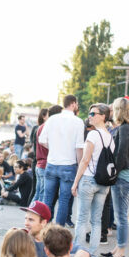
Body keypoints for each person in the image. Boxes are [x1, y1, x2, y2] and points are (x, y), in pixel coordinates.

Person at [72, 104, 114, 257]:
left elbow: (85, 160)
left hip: (89, 179)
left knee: (82, 219)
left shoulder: (92, 136)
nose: (89, 116)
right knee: (96, 220)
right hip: (104, 183)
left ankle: (77, 254)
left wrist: (75, 182)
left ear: (103, 116)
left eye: (93, 113)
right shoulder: (110, 137)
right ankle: (92, 256)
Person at [39, 95, 84, 226]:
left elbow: (42, 140)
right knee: (64, 200)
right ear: (74, 104)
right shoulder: (78, 122)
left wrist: (53, 148)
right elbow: (79, 148)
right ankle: (58, 231)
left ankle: (44, 228)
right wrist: (80, 166)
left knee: (47, 198)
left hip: (52, 163)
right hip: (68, 165)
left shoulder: (52, 119)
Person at [101, 98, 129, 257]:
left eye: (114, 109)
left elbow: (121, 154)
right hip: (124, 175)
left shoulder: (126, 128)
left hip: (122, 176)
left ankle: (120, 251)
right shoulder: (126, 127)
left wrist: (113, 174)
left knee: (121, 217)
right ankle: (117, 249)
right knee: (120, 216)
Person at [32, 108, 50, 203]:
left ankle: (30, 214)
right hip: (43, 164)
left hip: (39, 164)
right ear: (44, 116)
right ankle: (34, 216)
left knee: (38, 193)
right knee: (41, 194)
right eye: (49, 115)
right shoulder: (46, 128)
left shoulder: (39, 128)